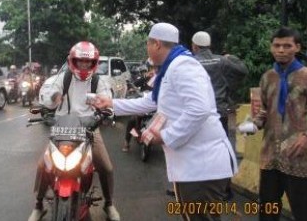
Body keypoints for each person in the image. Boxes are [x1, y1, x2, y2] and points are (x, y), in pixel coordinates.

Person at [92, 22, 238, 221]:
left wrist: (166, 136)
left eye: (148, 44)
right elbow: (152, 101)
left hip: (201, 167)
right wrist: (112, 103)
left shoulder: (183, 66)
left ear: (157, 44)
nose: (147, 49)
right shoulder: (172, 66)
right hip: (192, 166)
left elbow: (199, 109)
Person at [28, 41, 120, 221]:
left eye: (87, 62)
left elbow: (107, 101)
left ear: (93, 63)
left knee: (106, 167)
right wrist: (52, 100)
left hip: (89, 129)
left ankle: (109, 204)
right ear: (73, 61)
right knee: (42, 165)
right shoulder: (62, 78)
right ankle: (38, 206)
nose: (84, 65)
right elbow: (50, 96)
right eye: (80, 61)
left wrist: (106, 113)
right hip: (62, 129)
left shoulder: (98, 81)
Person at [240, 27, 307, 221]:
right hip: (270, 157)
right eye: (277, 45)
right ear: (271, 47)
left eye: (287, 45)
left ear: (297, 47)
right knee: (268, 211)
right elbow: (263, 110)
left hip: (299, 158)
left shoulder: (306, 76)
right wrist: (253, 125)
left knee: (303, 211)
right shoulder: (267, 77)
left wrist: (306, 136)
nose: (281, 50)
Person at [191, 31, 248, 136]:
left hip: (197, 113)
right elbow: (242, 70)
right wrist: (231, 57)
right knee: (220, 145)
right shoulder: (222, 60)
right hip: (220, 111)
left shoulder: (190, 62)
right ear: (209, 45)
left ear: (194, 46)